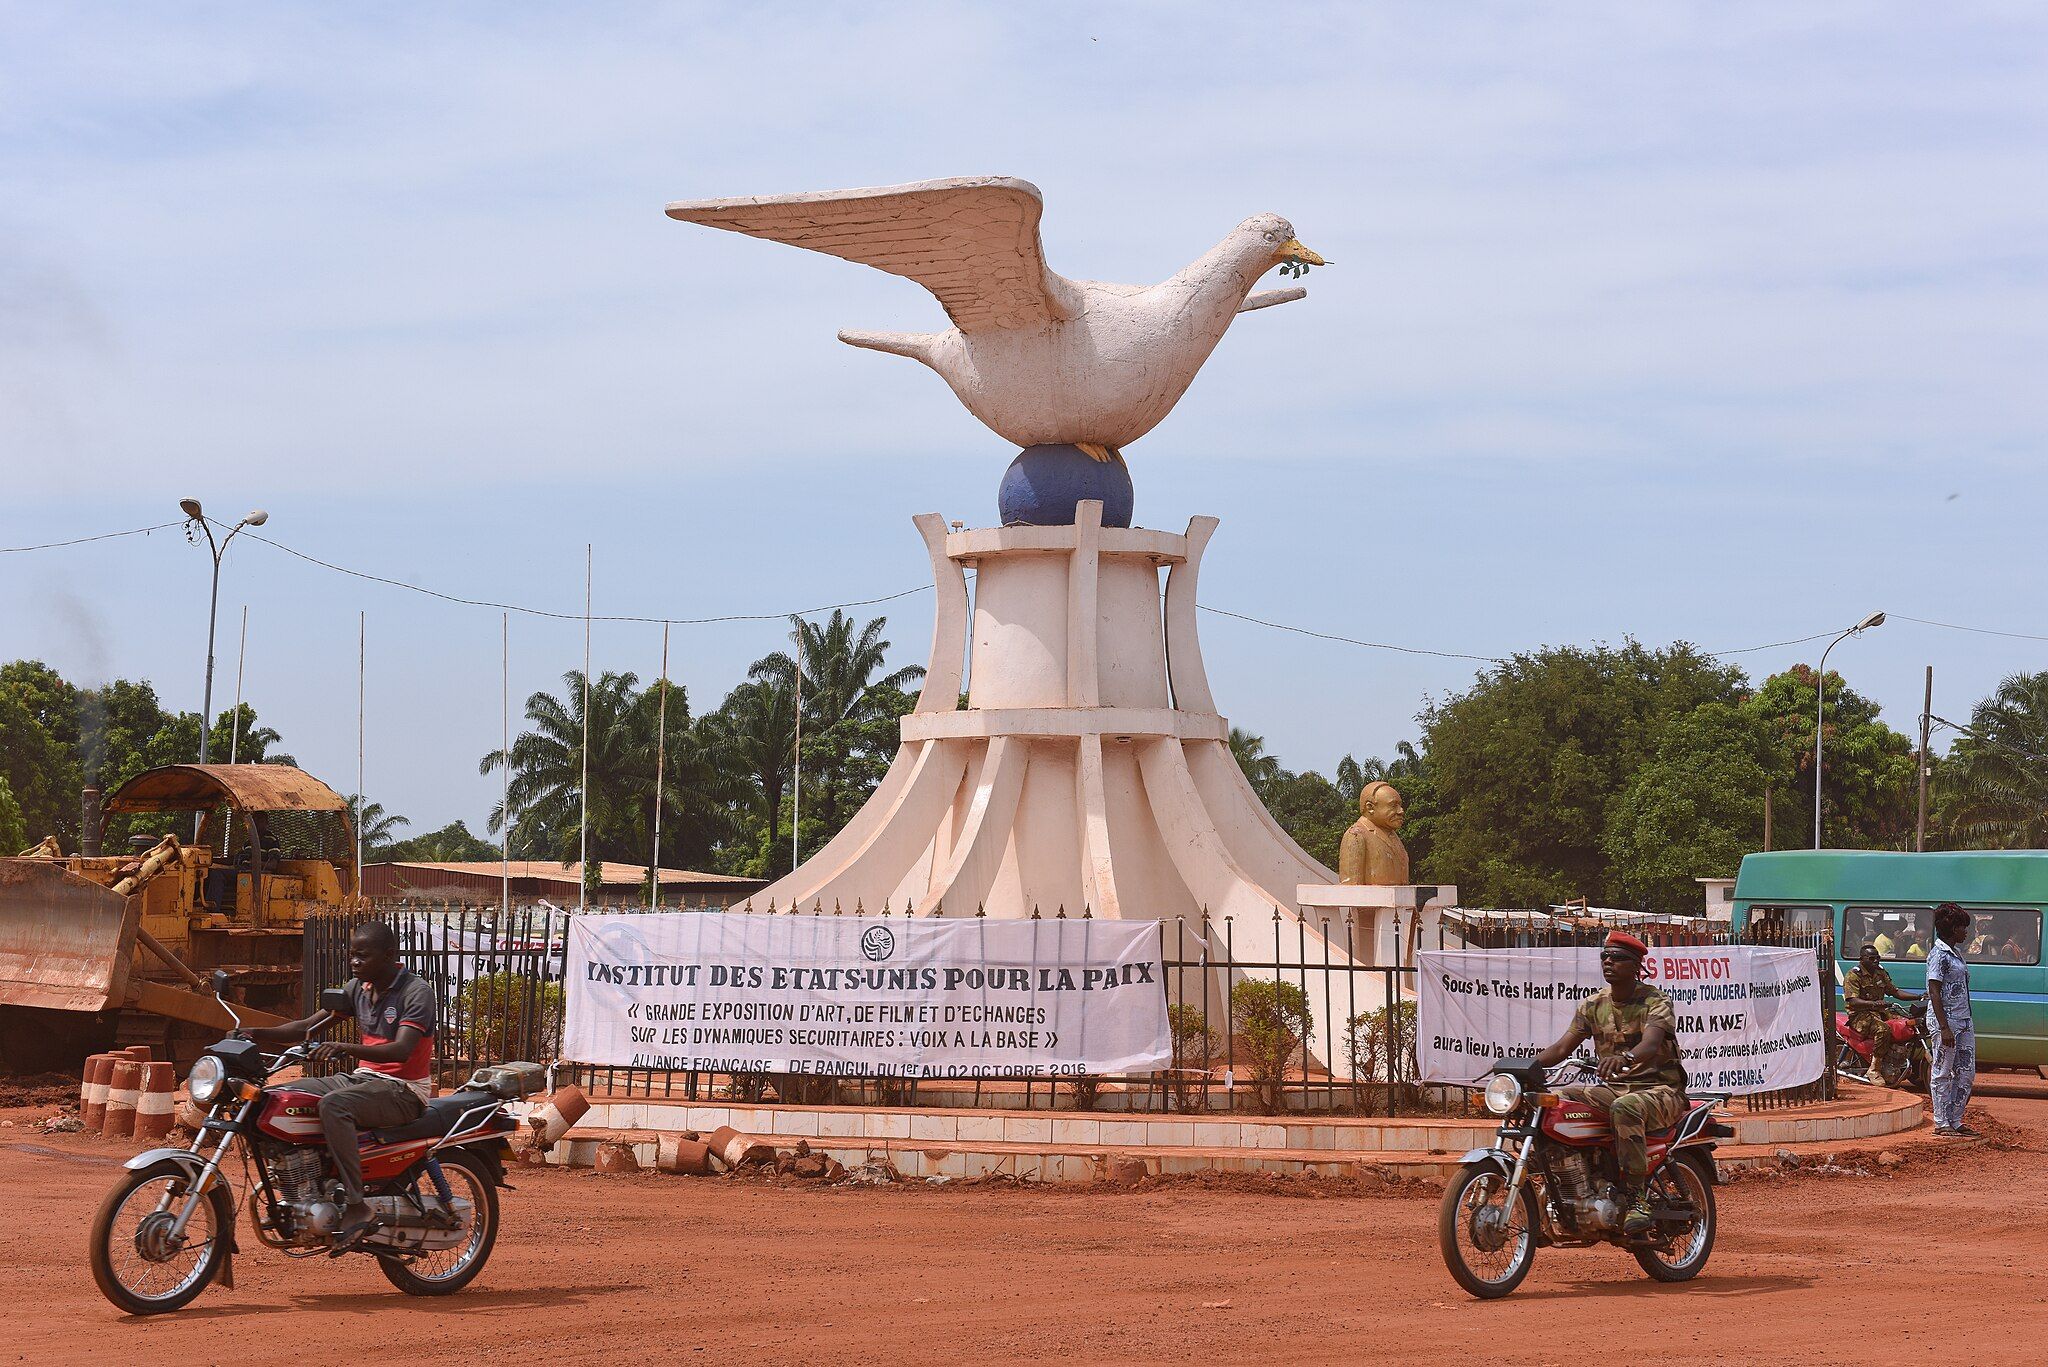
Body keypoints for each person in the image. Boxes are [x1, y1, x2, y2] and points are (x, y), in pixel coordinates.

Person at [243, 920, 436, 1247]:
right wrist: (252, 1033)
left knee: (335, 1105)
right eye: (352, 956)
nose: (355, 963)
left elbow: (402, 1050)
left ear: (389, 955)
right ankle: (308, 1184)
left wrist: (346, 1048)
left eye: (363, 956)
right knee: (273, 1097)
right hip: (364, 1080)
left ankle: (357, 1205)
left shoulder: (416, 992)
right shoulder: (357, 988)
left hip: (403, 1089)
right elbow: (306, 1028)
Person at [1533, 930, 1686, 1237]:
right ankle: (1568, 1183)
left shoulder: (1655, 1001)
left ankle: (1635, 1198)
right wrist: (1523, 1068)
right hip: (1614, 1089)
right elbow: (1562, 1049)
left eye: (1618, 958)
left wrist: (1626, 1058)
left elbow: (1651, 1044)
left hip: (1659, 1090)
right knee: (1556, 1100)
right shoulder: (1592, 1005)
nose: (1608, 962)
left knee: (1625, 1107)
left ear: (1635, 966)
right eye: (1605, 956)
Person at [1923, 902, 1977, 1138]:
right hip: (1946, 1022)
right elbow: (1934, 991)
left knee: (1966, 1073)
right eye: (1962, 927)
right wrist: (1944, 1027)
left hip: (1964, 1021)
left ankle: (1955, 1120)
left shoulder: (1955, 953)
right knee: (1943, 1071)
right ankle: (1941, 1121)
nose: (1966, 932)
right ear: (1951, 928)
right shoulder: (1938, 955)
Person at [1842, 944, 1923, 1084]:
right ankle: (1874, 1069)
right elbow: (1852, 1000)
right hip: (1859, 1015)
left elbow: (1895, 992)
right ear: (1862, 959)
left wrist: (1919, 996)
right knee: (1883, 1029)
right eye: (1871, 958)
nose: (1876, 961)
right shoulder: (1854, 975)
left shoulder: (1880, 972)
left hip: (1880, 1012)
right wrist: (1874, 1004)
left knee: (1904, 1025)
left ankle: (1898, 1060)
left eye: (1877, 958)